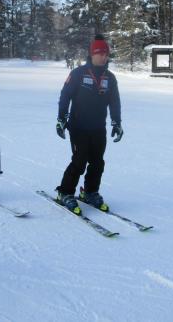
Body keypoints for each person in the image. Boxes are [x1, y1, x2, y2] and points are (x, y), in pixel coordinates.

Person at [55, 34, 123, 214]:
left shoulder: (110, 77)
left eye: (106, 53)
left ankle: (90, 192)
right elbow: (65, 96)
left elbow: (114, 101)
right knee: (79, 161)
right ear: (92, 55)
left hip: (98, 127)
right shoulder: (78, 73)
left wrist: (117, 122)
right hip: (78, 126)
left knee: (97, 162)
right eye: (99, 53)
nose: (103, 56)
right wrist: (61, 118)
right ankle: (65, 192)